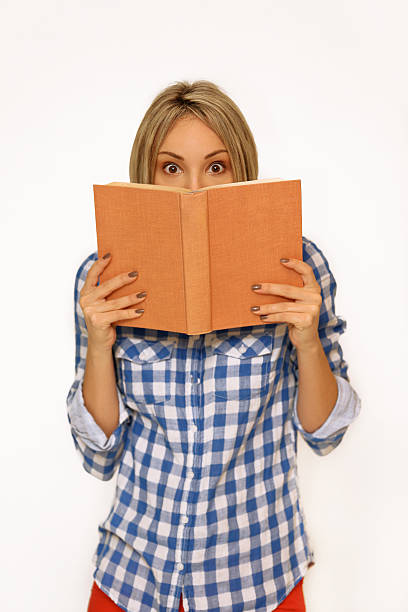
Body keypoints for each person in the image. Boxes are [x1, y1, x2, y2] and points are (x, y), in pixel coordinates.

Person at [66, 80, 362, 612]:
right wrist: (98, 342)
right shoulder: (102, 277)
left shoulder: (297, 267)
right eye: (172, 167)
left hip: (257, 577)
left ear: (241, 171)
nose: (195, 188)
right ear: (148, 174)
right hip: (133, 576)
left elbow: (326, 434)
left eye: (217, 166)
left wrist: (308, 341)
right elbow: (99, 451)